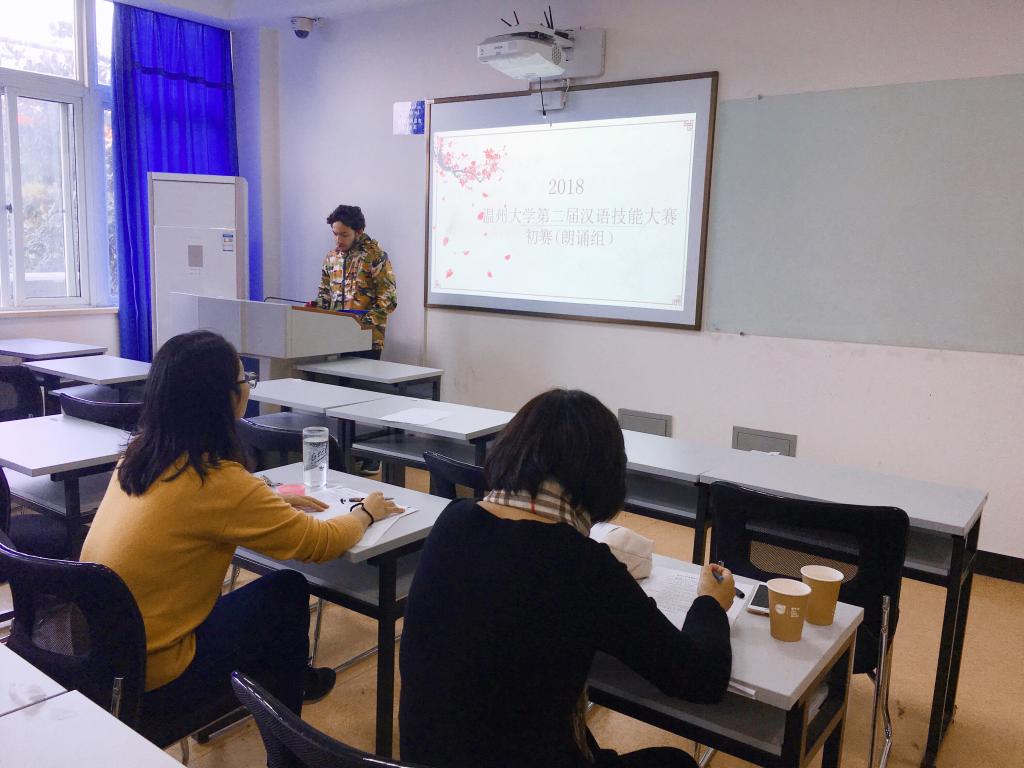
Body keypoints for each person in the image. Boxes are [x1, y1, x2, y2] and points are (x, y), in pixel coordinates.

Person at [80, 330, 399, 742]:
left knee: (270, 603)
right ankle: (288, 739)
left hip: (102, 658)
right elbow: (319, 544)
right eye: (243, 379)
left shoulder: (138, 455)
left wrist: (261, 498)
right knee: (285, 591)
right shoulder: (215, 480)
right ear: (224, 399)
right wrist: (365, 513)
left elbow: (197, 508)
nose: (248, 386)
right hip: (155, 676)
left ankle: (287, 684)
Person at [399, 389, 734, 768]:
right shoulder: (580, 563)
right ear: (605, 477)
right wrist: (710, 602)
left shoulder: (455, 519)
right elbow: (701, 678)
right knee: (676, 763)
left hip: (424, 757)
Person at [310, 204, 397, 359]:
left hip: (366, 339)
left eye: (344, 235)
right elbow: (324, 294)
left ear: (359, 232)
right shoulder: (332, 258)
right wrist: (315, 309)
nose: (338, 240)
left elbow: (388, 300)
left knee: (360, 376)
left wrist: (360, 324)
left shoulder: (375, 256)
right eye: (335, 234)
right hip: (335, 337)